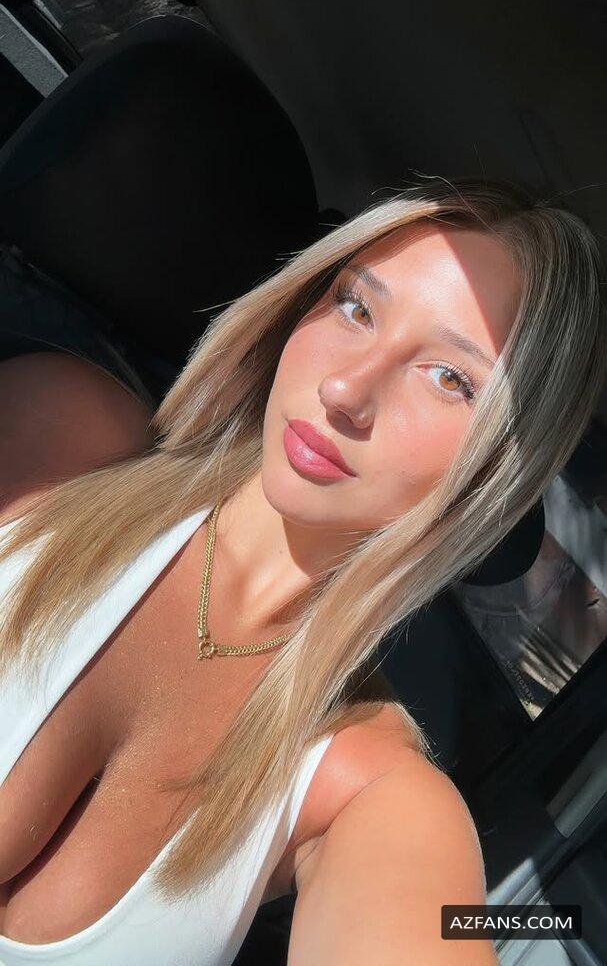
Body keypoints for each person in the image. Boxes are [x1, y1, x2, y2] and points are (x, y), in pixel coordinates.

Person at [0, 176, 604, 965]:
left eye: (449, 378)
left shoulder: (366, 787)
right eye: (357, 308)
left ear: (495, 472)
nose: (346, 388)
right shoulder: (59, 439)